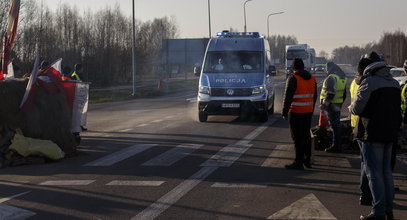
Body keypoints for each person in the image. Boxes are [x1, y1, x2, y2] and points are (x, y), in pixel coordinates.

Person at [351, 51, 401, 220]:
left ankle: (378, 211)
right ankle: (388, 209)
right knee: (386, 172)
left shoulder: (369, 82)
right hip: (390, 133)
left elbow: (357, 109)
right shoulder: (394, 83)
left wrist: (351, 107)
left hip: (372, 134)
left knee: (374, 173)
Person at [282, 58, 317, 170]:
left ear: (294, 67)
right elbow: (314, 96)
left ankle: (298, 162)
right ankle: (307, 160)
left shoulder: (293, 78)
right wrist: (310, 108)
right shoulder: (312, 78)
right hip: (308, 111)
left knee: (297, 138)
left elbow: (288, 97)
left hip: (296, 112)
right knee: (306, 136)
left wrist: (284, 112)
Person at [320, 61, 348, 153]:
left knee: (335, 126)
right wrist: (340, 102)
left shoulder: (331, 78)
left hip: (331, 106)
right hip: (337, 104)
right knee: (336, 125)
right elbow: (344, 94)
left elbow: (330, 93)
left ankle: (336, 146)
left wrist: (324, 105)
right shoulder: (341, 77)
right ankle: (337, 144)